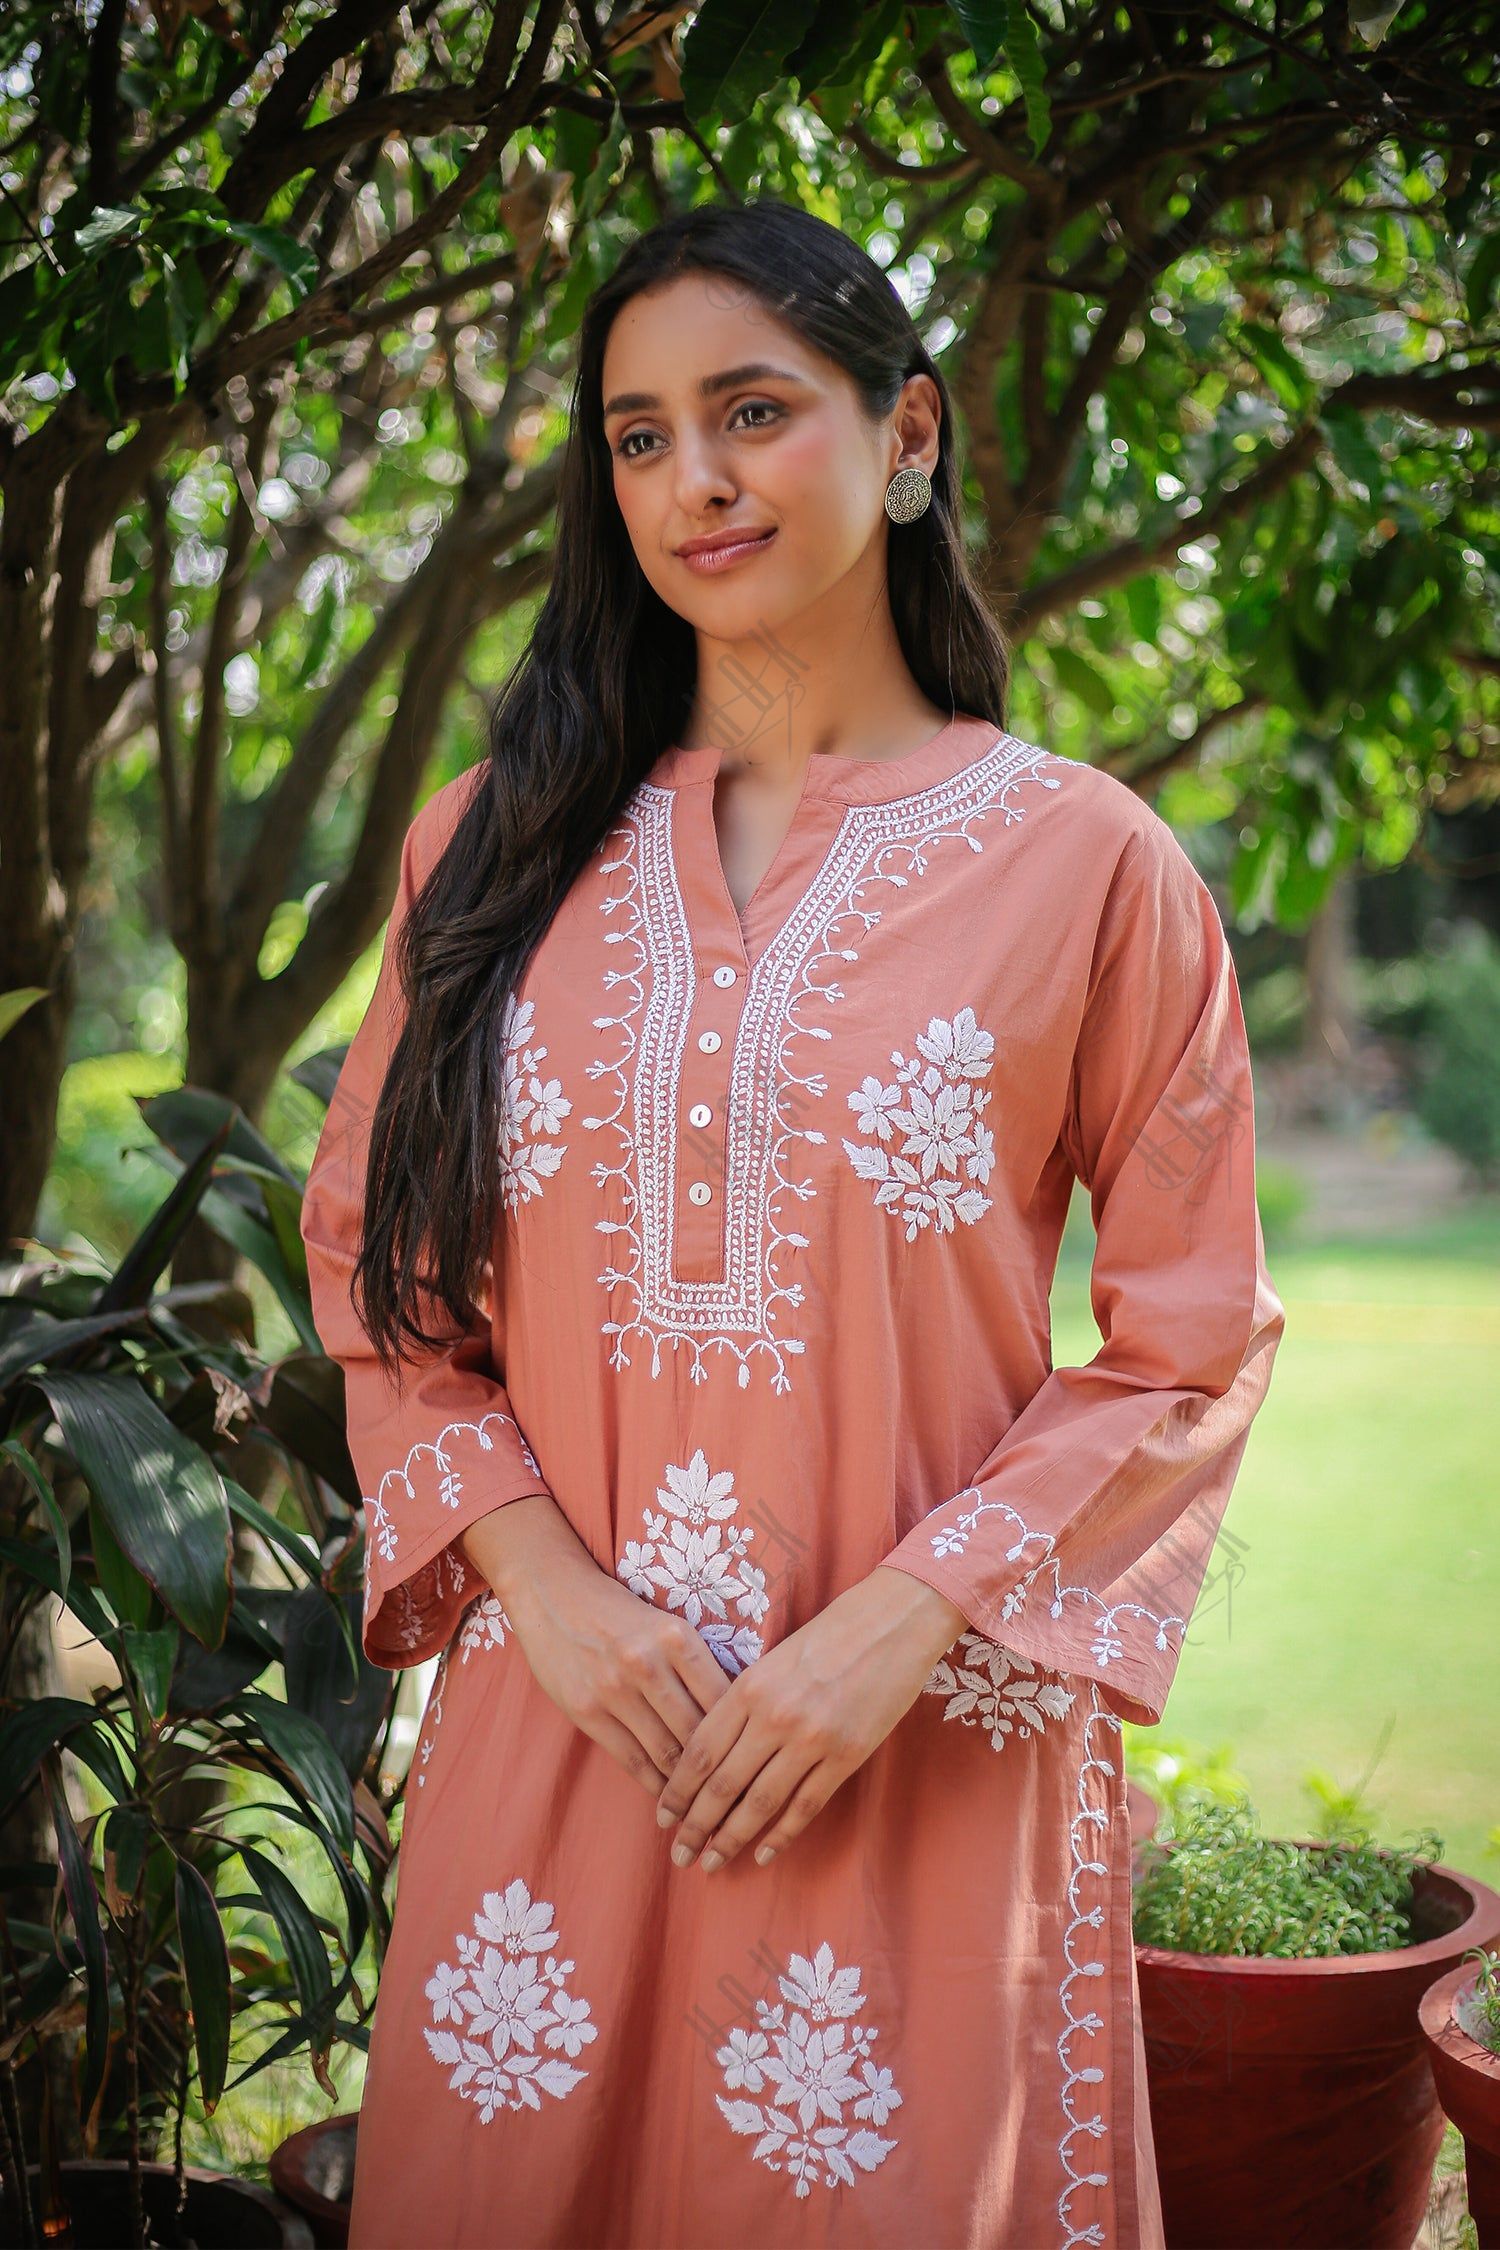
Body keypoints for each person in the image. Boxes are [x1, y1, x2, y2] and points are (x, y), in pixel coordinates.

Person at [300, 195, 1286, 2250]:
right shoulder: (486, 857)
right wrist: (544, 1589)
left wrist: (894, 1631)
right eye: (639, 436)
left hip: (919, 1758)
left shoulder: (1093, 873)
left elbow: (1189, 1347)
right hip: (569, 1741)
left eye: (752, 410)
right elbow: (380, 1287)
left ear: (908, 436)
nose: (695, 479)